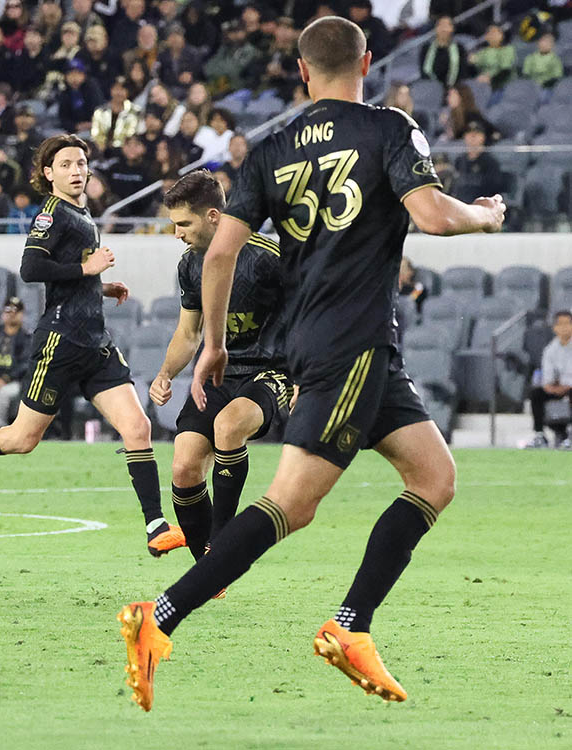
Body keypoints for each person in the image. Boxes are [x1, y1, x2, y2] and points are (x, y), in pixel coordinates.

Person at [118, 16, 505, 712]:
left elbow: (217, 254)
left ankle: (350, 626)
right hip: (349, 343)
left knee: (433, 477)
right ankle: (160, 617)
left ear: (301, 71)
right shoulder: (388, 127)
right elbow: (433, 217)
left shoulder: (270, 148)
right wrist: (484, 215)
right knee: (291, 504)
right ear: (368, 63)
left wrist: (212, 344)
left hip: (336, 345)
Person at [0, 134, 185, 558]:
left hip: (95, 341)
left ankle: (155, 526)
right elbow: (30, 268)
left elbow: (71, 277)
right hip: (60, 342)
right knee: (22, 439)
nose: (77, 171)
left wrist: (98, 285)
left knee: (138, 428)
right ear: (48, 173)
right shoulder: (51, 214)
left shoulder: (82, 212)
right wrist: (86, 268)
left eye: (81, 163)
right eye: (66, 165)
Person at [150, 170, 290, 577]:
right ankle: (208, 571)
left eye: (183, 224)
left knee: (229, 426)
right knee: (184, 467)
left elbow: (311, 312)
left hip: (273, 371)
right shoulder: (190, 266)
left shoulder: (267, 258)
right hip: (218, 375)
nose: (176, 233)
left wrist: (311, 373)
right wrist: (165, 373)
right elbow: (188, 331)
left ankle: (224, 544)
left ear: (213, 216)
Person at [523, 310, 572, 449]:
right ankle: (540, 435)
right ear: (554, 328)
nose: (564, 327)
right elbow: (547, 380)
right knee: (536, 394)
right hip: (559, 388)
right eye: (560, 324)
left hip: (570, 388)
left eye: (567, 323)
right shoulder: (550, 350)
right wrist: (553, 387)